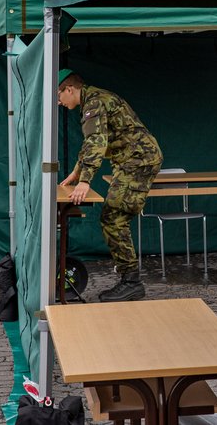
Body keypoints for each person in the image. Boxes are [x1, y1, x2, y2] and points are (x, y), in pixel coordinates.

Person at [57, 69, 163, 302]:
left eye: (59, 95)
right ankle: (129, 278)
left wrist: (85, 181)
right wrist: (77, 171)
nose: (59, 102)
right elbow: (91, 142)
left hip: (138, 160)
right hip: (130, 160)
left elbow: (96, 140)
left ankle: (131, 282)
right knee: (113, 217)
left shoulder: (93, 102)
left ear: (69, 89)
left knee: (113, 218)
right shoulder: (93, 99)